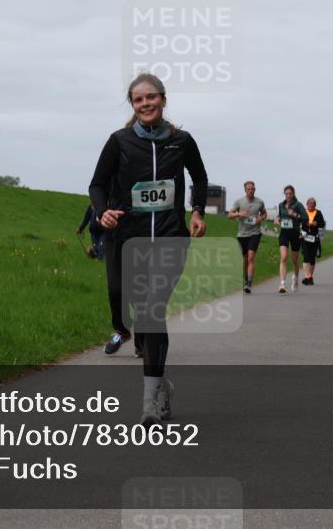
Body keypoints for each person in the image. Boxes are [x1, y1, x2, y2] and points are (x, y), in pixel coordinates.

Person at [89, 73, 207, 425]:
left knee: (153, 311)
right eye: (138, 100)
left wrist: (197, 210)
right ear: (133, 105)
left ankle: (151, 398)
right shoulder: (119, 141)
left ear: (163, 99)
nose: (145, 104)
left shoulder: (182, 141)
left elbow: (199, 177)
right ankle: (154, 379)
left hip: (170, 237)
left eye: (151, 97)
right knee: (123, 299)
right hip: (127, 238)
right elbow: (96, 183)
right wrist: (102, 211)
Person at [228, 181, 266, 293]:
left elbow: (264, 213)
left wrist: (261, 218)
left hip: (255, 233)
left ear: (255, 189)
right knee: (244, 259)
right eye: (248, 189)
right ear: (245, 190)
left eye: (252, 189)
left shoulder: (259, 202)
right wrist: (239, 214)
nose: (251, 191)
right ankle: (245, 279)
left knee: (250, 257)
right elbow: (229, 215)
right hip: (242, 234)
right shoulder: (239, 202)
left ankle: (249, 283)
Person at [276, 185, 306, 293]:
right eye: (286, 193)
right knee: (283, 257)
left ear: (293, 193)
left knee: (294, 260)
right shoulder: (281, 205)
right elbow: (280, 215)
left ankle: (295, 279)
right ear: (284, 194)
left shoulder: (298, 205)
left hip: (295, 233)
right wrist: (277, 219)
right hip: (284, 233)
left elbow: (305, 218)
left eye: (290, 193)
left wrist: (294, 214)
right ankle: (282, 284)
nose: (288, 195)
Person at [300, 198, 326, 285]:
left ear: (315, 205)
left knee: (312, 258)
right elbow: (299, 222)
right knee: (306, 256)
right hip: (304, 237)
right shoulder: (303, 212)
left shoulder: (318, 213)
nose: (311, 205)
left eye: (312, 204)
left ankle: (310, 276)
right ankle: (307, 276)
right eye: (309, 204)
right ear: (306, 204)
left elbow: (322, 223)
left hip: (314, 238)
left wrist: (316, 223)